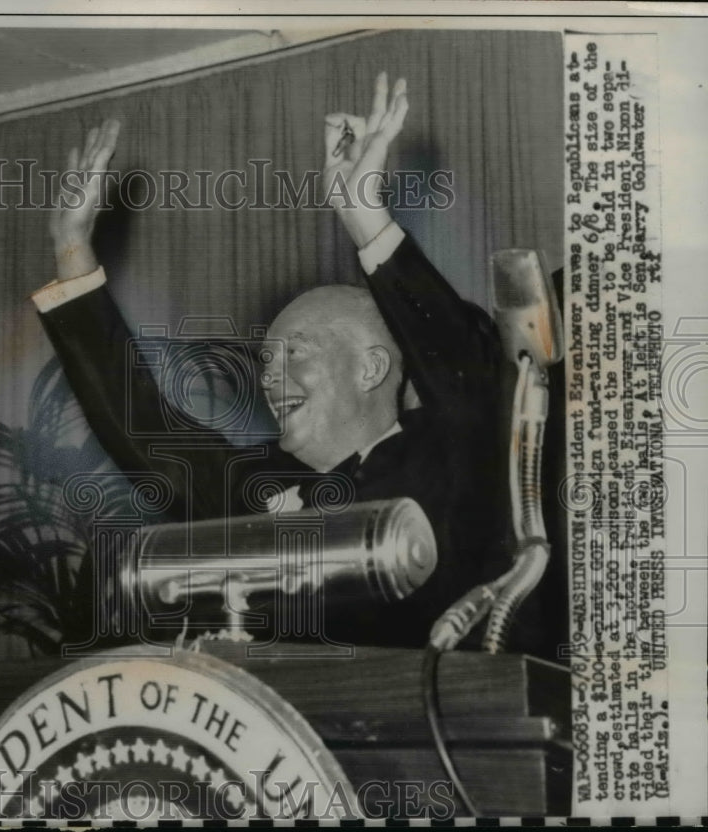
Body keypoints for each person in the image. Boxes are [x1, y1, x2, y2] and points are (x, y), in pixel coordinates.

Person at [32, 74, 507, 647]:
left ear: (370, 368)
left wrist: (363, 216)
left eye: (295, 355)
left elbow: (467, 378)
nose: (269, 379)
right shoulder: (255, 489)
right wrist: (72, 249)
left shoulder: (452, 455)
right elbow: (146, 429)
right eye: (264, 361)